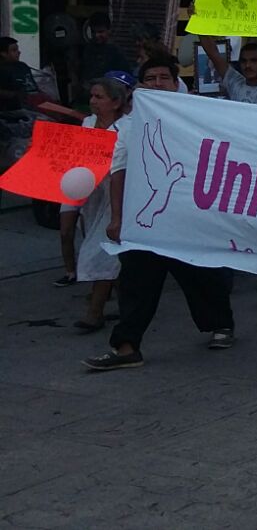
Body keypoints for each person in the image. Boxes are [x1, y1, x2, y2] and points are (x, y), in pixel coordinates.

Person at [83, 56, 237, 370]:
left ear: (175, 82)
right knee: (137, 281)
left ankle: (221, 325)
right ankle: (126, 346)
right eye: (149, 78)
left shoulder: (195, 117)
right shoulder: (130, 125)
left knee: (199, 275)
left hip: (186, 217)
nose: (156, 84)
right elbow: (119, 171)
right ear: (139, 87)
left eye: (163, 78)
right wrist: (117, 218)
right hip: (144, 220)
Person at [60, 77, 127, 328]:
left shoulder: (127, 129)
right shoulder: (88, 124)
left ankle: (95, 313)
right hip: (91, 197)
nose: (93, 102)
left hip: (116, 198)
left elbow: (121, 170)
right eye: (92, 96)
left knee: (104, 252)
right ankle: (125, 307)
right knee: (109, 252)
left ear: (116, 102)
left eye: (99, 97)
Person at [198, 31, 257, 106]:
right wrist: (197, 22)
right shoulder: (235, 83)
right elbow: (213, 54)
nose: (248, 65)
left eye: (254, 61)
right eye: (244, 61)